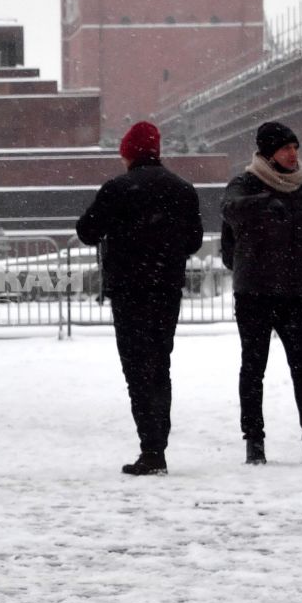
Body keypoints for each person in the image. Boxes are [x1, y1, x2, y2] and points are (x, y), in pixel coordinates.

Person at [76, 120, 204, 475]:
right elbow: (193, 240)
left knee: (136, 367)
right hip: (166, 287)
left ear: (128, 153)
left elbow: (87, 230)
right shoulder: (182, 189)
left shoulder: (118, 188)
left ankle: (151, 449)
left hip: (129, 288)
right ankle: (158, 443)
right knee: (160, 363)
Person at [221, 121, 302, 466]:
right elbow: (229, 212)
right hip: (255, 294)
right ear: (268, 153)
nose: (293, 154)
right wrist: (262, 205)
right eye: (286, 148)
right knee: (254, 367)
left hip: (297, 293)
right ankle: (254, 442)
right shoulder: (243, 184)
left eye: (295, 148)